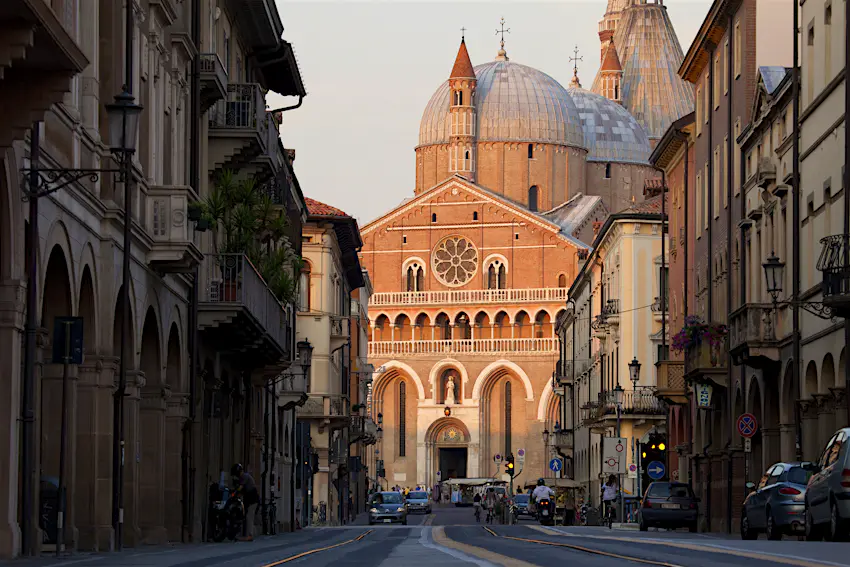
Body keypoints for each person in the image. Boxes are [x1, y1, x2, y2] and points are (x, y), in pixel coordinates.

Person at [231, 464, 259, 541]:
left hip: (252, 500)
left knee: (249, 517)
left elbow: (240, 487)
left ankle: (250, 535)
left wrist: (234, 493)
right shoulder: (243, 477)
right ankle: (248, 534)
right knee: (248, 516)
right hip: (250, 499)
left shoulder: (245, 476)